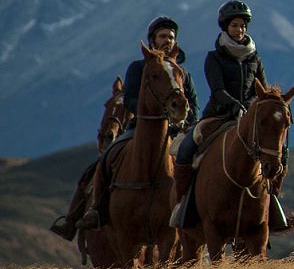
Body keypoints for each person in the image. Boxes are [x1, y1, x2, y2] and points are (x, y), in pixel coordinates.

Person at [64, 16, 199, 235]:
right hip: (142, 129)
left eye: (171, 37)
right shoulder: (138, 68)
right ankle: (95, 211)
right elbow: (130, 100)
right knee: (106, 159)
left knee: (197, 164)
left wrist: (183, 121)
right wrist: (152, 114)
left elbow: (194, 105)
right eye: (163, 36)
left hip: (176, 131)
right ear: (152, 41)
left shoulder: (182, 73)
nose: (168, 40)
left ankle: (196, 214)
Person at [170, 0, 269, 206]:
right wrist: (234, 104)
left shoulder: (255, 58)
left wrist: (249, 105)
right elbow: (217, 90)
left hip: (248, 116)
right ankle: (182, 202)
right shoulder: (213, 58)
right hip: (218, 114)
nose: (239, 29)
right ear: (226, 27)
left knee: (274, 153)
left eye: (242, 25)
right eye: (234, 25)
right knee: (187, 148)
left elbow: (262, 90)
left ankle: (272, 204)